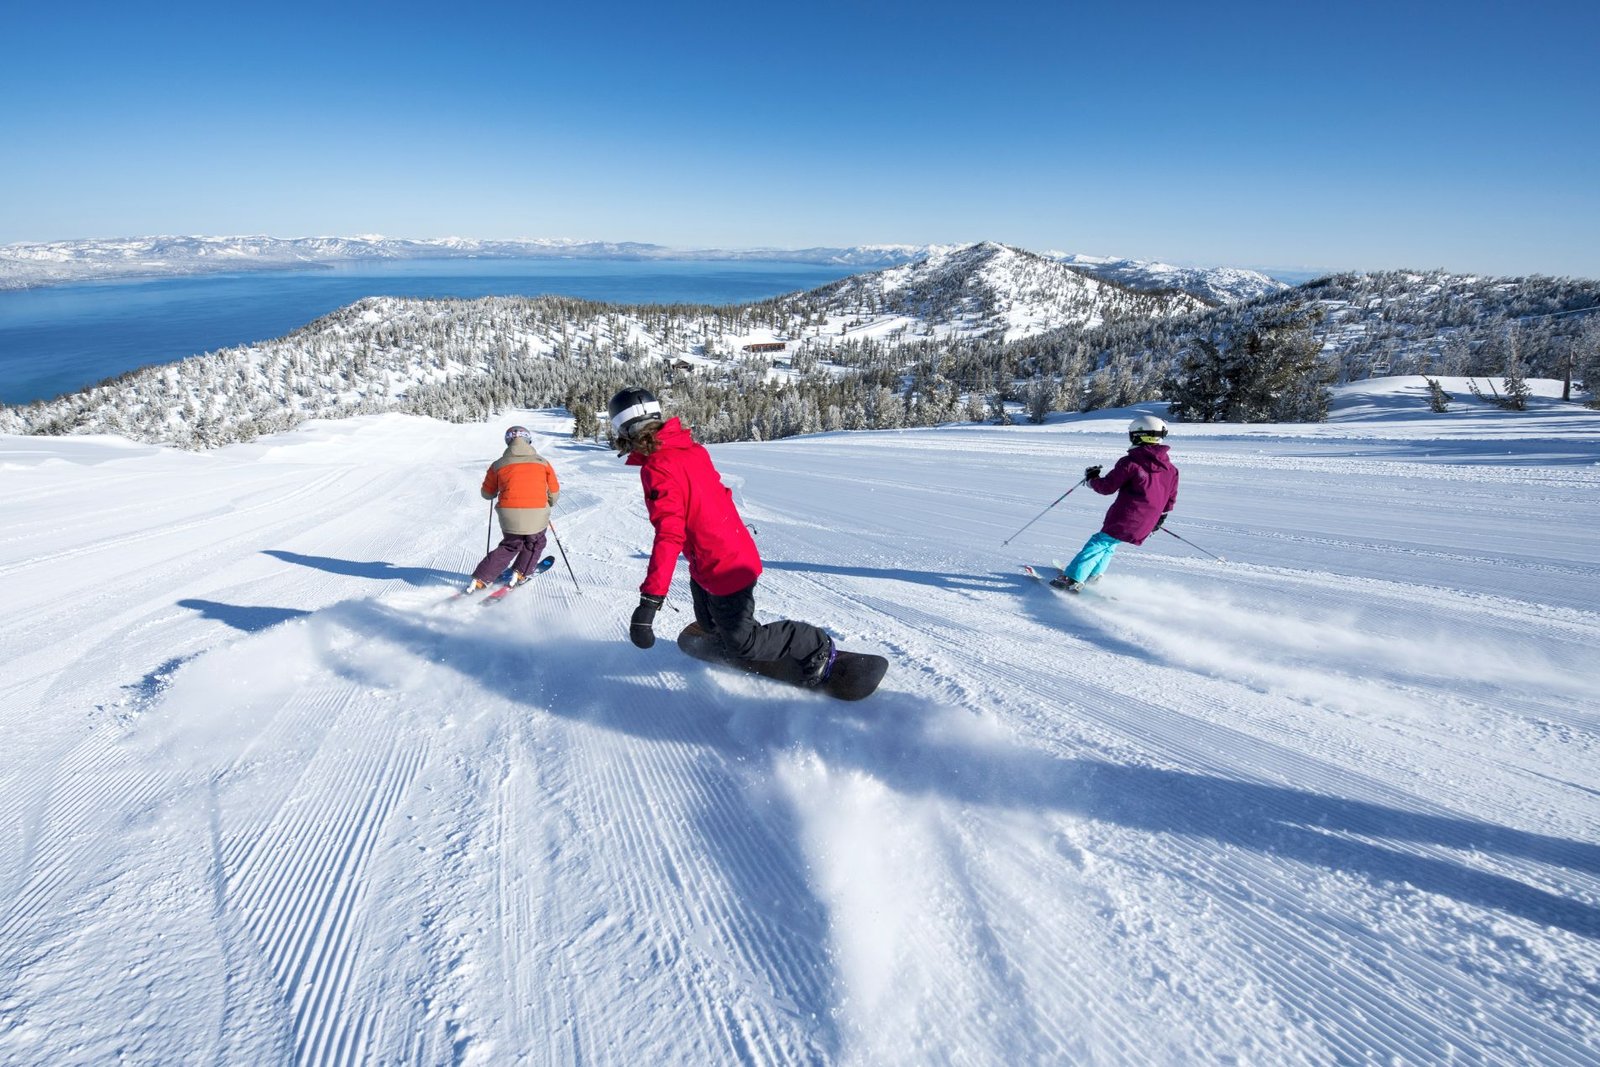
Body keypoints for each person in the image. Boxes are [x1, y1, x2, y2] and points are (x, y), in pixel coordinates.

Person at [608, 387, 837, 685]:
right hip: (710, 559)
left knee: (745, 643)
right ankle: (725, 637)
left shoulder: (658, 467)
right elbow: (718, 495)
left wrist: (650, 602)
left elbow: (669, 535)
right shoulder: (688, 449)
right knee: (707, 624)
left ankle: (816, 645)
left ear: (623, 429)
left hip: (726, 565)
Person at [1053, 414, 1179, 592]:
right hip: (1148, 521)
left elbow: (1107, 487)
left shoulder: (1131, 463)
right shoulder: (1171, 469)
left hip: (1126, 516)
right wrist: (1160, 519)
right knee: (1110, 543)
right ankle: (1094, 574)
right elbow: (1170, 498)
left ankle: (1072, 578)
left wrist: (1092, 479)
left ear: (1137, 435)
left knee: (1099, 542)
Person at [464, 425, 561, 593]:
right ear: (528, 440)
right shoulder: (543, 463)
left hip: (509, 514)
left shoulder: (498, 465)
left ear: (508, 442)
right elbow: (553, 491)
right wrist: (549, 502)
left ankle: (480, 579)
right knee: (535, 542)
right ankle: (521, 573)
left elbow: (487, 494)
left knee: (510, 545)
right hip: (537, 512)